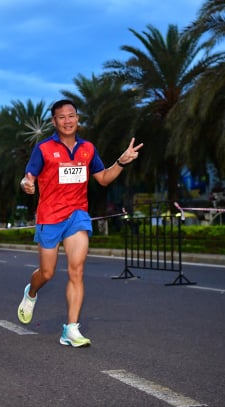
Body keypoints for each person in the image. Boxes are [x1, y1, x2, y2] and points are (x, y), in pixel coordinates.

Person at [17, 99, 143, 347]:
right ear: (54, 122)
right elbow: (27, 178)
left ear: (77, 119)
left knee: (77, 271)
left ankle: (71, 329)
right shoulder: (43, 149)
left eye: (71, 116)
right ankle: (30, 293)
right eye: (61, 117)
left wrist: (121, 162)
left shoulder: (88, 149)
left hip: (77, 215)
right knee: (47, 273)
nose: (67, 121)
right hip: (50, 216)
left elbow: (104, 178)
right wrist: (27, 185)